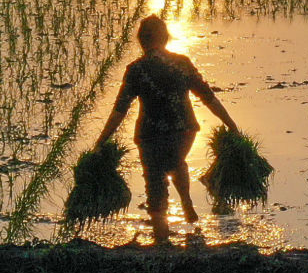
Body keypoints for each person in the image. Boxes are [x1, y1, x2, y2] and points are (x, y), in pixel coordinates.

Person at [94, 15, 237, 244]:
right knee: (176, 160)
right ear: (166, 38)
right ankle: (186, 201)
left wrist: (101, 141)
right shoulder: (181, 63)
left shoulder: (136, 70)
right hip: (185, 130)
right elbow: (208, 97)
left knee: (155, 179)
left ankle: (161, 238)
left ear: (141, 41)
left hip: (150, 134)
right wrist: (231, 125)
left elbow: (119, 110)